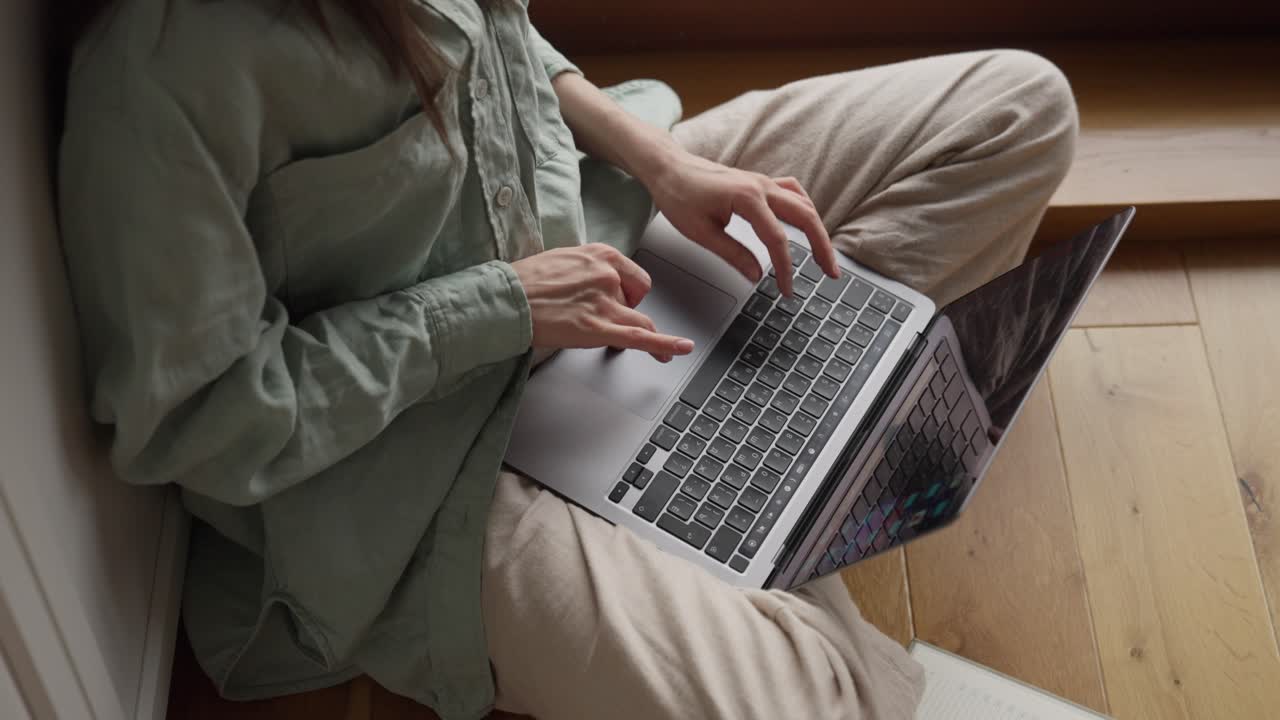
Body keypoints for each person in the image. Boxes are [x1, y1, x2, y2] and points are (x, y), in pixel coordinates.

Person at [57, 1, 1077, 718]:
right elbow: (208, 420)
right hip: (426, 473)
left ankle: (745, 491)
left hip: (599, 234)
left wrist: (657, 160)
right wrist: (501, 306)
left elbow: (499, 33)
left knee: (1018, 108)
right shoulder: (156, 77)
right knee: (808, 702)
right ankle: (752, 517)